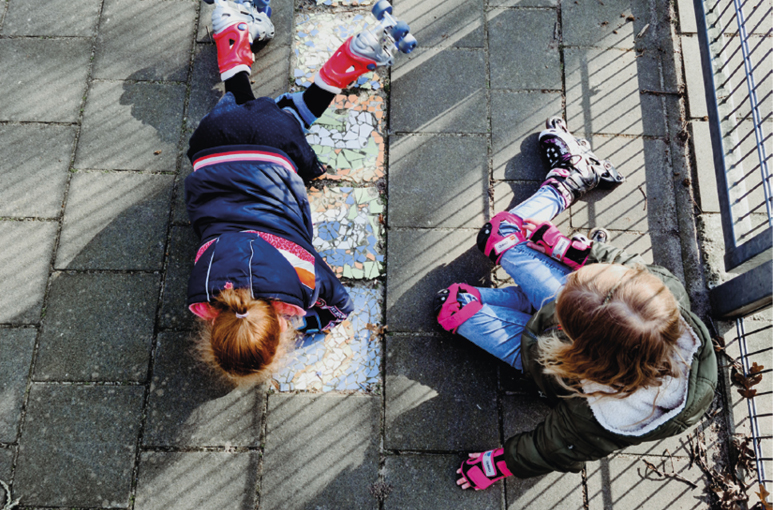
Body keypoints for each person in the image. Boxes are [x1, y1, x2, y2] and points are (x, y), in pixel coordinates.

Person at [434, 118, 718, 489]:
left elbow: (552, 449)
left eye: (568, 290)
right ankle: (571, 179)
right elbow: (624, 265)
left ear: (582, 347)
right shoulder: (662, 293)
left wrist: (498, 465)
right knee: (498, 237)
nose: (567, 279)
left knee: (452, 306)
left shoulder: (599, 417)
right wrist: (574, 250)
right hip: (572, 331)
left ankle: (570, 179)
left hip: (541, 357)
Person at [185, 0, 399, 383]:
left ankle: (345, 61)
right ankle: (230, 37)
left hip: (271, 150)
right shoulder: (201, 288)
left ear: (283, 333)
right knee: (245, 108)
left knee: (293, 118)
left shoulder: (301, 278)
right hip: (208, 144)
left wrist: (306, 323)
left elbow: (341, 308)